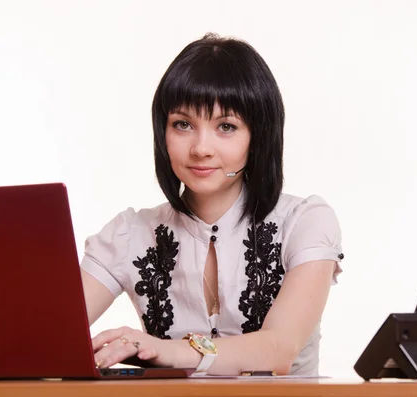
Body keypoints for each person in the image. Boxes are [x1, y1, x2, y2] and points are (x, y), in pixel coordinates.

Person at [79, 33, 344, 377]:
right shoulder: (129, 233)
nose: (201, 148)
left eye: (226, 126)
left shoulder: (305, 221)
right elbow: (46, 334)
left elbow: (279, 348)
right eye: (183, 124)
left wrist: (164, 349)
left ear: (258, 136)